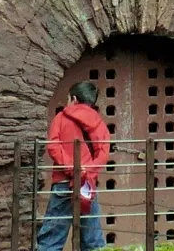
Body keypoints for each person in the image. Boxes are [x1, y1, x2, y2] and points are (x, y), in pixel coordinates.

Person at [37, 80, 111, 250]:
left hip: (64, 183)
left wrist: (72, 169)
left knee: (51, 239)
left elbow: (53, 147)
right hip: (87, 185)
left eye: (69, 98)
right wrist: (87, 171)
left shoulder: (61, 117)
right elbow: (103, 153)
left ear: (74, 99)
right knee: (92, 239)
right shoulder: (98, 122)